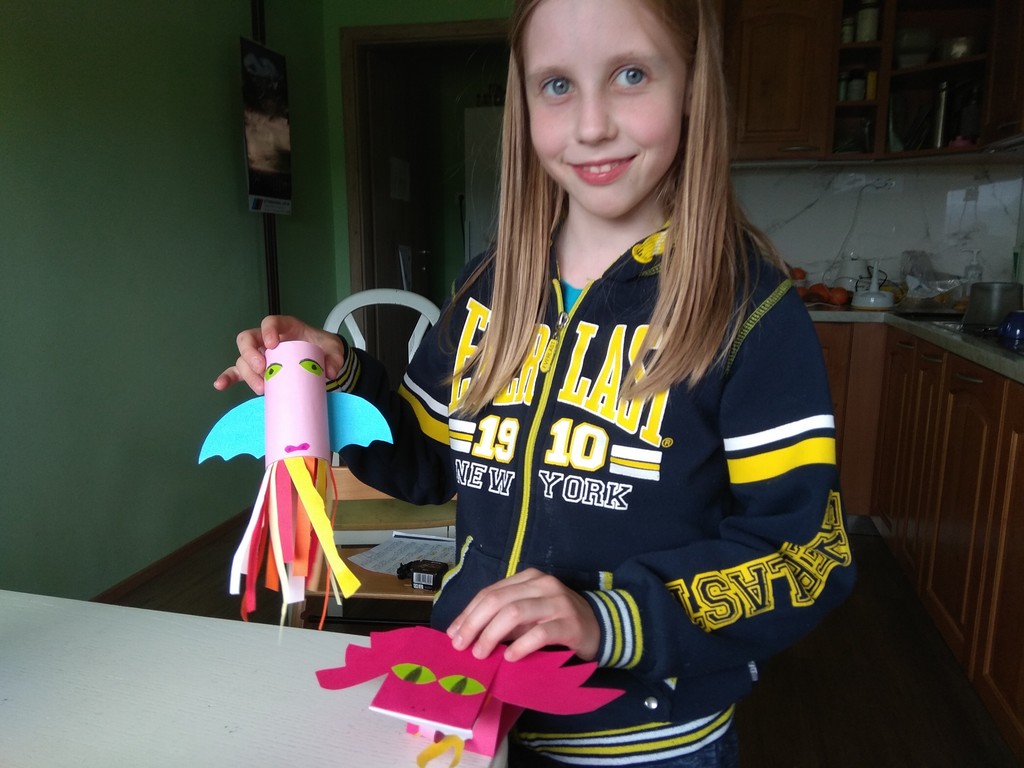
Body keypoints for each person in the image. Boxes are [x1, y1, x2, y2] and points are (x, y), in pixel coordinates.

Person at [215, 0, 856, 764]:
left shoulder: (750, 313)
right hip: (472, 714)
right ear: (522, 103)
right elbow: (426, 460)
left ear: (693, 86)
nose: (591, 125)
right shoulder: (489, 287)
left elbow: (803, 555)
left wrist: (606, 619)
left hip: (644, 743)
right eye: (556, 85)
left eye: (630, 75)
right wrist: (336, 380)